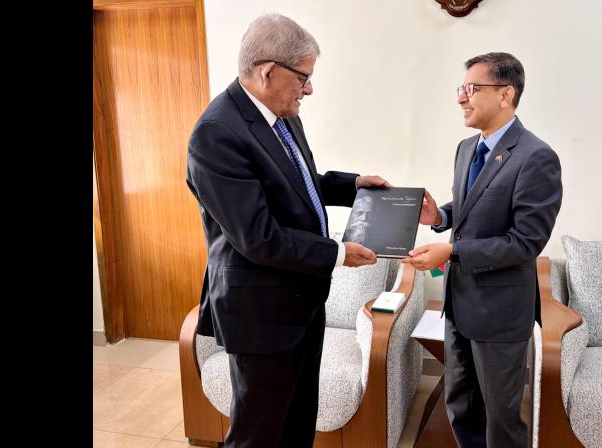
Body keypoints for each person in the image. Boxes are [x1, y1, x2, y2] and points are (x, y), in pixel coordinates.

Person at [185, 13, 391, 447]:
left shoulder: (283, 115)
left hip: (302, 302)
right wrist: (338, 254)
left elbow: (297, 184)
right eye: (303, 77)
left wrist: (353, 185)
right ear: (267, 72)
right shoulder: (215, 134)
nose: (308, 89)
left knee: (297, 425)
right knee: (258, 435)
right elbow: (257, 236)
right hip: (260, 313)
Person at [401, 52, 562, 447]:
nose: (461, 97)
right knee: (460, 407)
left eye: (472, 88)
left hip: (500, 314)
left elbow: (525, 241)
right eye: (462, 88)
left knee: (501, 420)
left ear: (506, 94)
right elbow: (471, 205)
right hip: (459, 305)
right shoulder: (466, 148)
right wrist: (440, 215)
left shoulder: (536, 157)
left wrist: (451, 253)